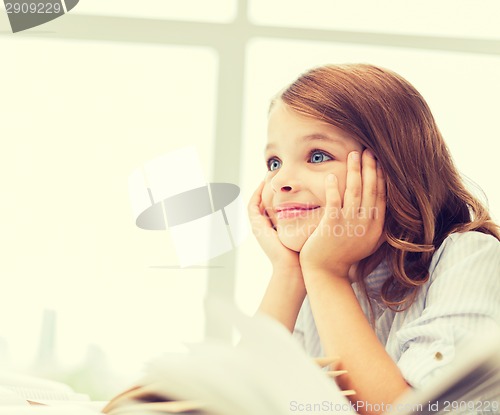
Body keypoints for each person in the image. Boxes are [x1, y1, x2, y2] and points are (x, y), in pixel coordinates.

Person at [247, 63, 500, 415]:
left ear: (391, 169)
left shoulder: (470, 257)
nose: (280, 182)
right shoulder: (313, 283)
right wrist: (288, 274)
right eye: (274, 162)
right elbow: (232, 403)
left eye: (317, 156)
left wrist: (326, 274)